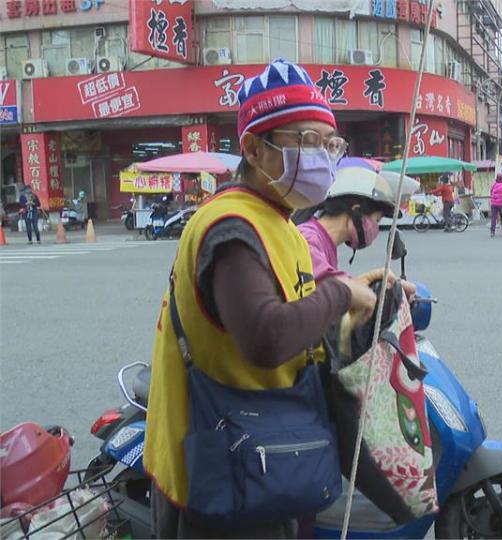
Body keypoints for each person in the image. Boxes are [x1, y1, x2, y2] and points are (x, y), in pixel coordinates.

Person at [144, 59, 377, 539]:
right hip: (226, 473)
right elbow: (268, 337)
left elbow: (300, 312)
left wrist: (365, 292)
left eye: (329, 143)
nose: (322, 156)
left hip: (268, 454)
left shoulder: (281, 221)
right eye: (305, 141)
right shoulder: (232, 226)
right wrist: (339, 292)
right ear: (253, 147)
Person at [294, 166, 419, 295]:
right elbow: (333, 291)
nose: (376, 229)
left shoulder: (325, 242)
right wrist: (372, 282)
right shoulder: (309, 239)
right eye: (377, 220)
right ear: (356, 210)